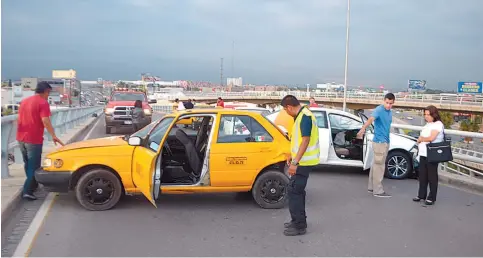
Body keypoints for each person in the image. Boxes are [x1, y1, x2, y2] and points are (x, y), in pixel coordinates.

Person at [16, 81, 64, 200]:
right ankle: (27, 191)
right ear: (45, 91)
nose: (49, 96)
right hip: (33, 139)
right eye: (48, 93)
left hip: (21, 138)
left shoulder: (25, 101)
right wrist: (53, 135)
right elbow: (46, 120)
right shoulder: (43, 103)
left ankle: (32, 186)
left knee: (27, 164)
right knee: (34, 166)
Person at [281, 95, 320, 236]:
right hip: (301, 160)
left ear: (289, 107)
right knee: (296, 191)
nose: (286, 112)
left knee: (295, 191)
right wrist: (293, 155)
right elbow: (299, 141)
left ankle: (299, 225)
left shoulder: (305, 116)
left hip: (303, 162)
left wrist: (295, 162)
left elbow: (305, 140)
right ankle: (297, 220)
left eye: (285, 110)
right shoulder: (301, 116)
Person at [357, 93, 395, 198]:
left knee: (375, 164)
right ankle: (378, 190)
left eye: (390, 103)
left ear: (393, 103)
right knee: (379, 166)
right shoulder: (379, 110)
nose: (388, 105)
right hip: (380, 142)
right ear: (384, 101)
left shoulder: (389, 112)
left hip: (384, 141)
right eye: (387, 103)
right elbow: (371, 119)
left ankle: (372, 187)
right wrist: (363, 128)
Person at [413, 105, 444, 205]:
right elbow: (422, 135)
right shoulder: (427, 125)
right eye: (425, 114)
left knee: (432, 176)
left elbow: (431, 138)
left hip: (432, 154)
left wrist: (422, 139)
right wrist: (420, 140)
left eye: (428, 114)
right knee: (422, 175)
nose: (426, 116)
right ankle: (421, 195)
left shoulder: (438, 124)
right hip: (423, 153)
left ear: (434, 115)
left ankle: (432, 197)